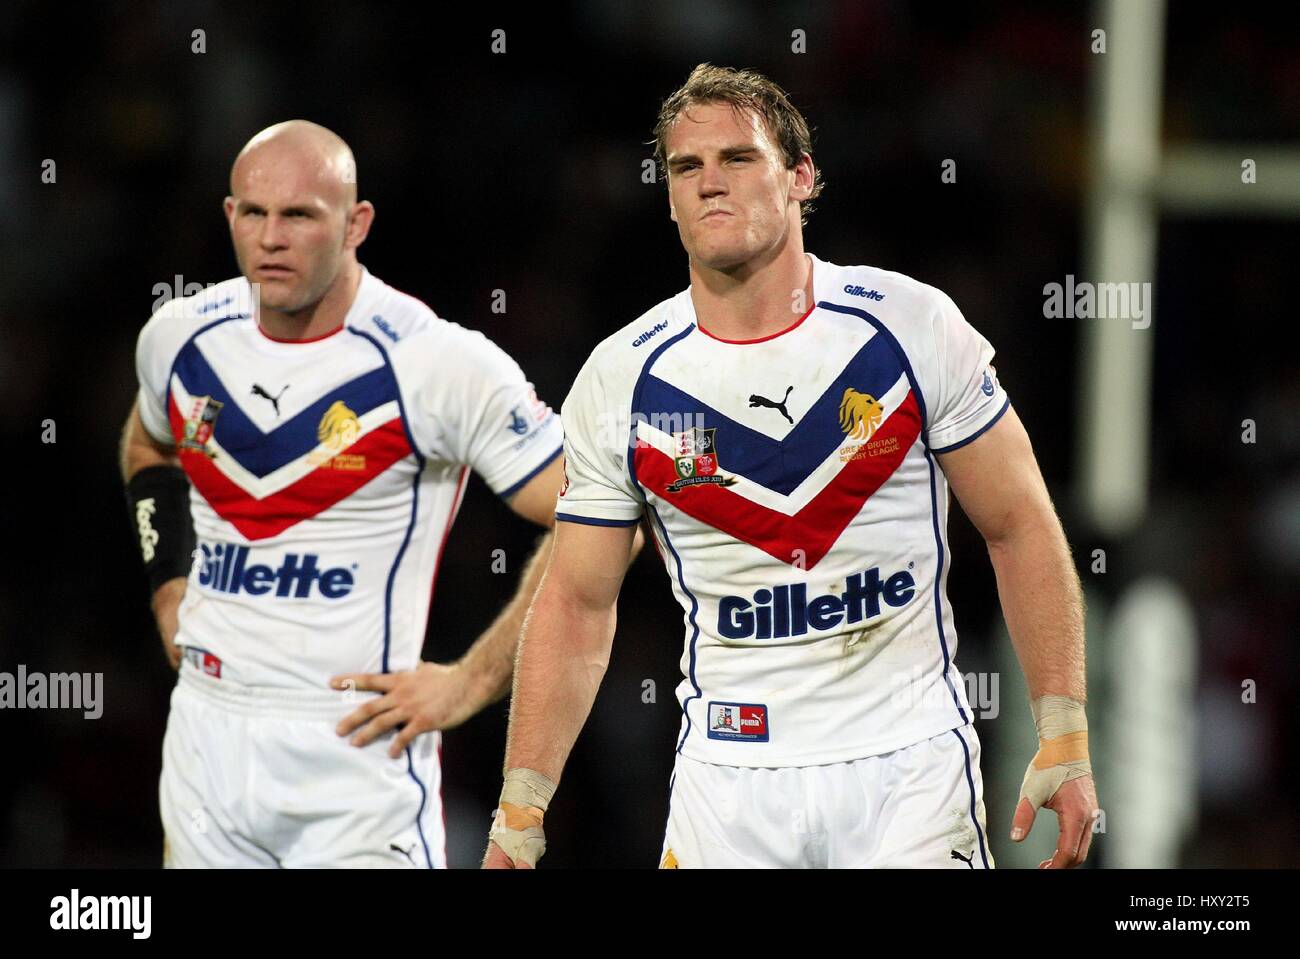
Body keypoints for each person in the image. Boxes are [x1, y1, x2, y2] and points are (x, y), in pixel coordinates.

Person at [483, 65, 1099, 869]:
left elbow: (1019, 525)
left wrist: (1065, 731)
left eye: (738, 159)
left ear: (801, 178)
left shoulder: (910, 328)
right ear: (667, 197)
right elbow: (575, 602)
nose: (709, 184)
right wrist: (519, 812)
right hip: (729, 784)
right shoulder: (620, 377)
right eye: (685, 168)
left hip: (908, 771)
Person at [121, 120, 566, 868]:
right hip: (206, 734)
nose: (271, 237)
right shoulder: (180, 337)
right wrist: (168, 582)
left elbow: (605, 513)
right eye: (253, 213)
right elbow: (146, 441)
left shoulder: (435, 363)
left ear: (356, 223)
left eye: (299, 215)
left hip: (356, 756)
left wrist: (473, 680)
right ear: (229, 216)